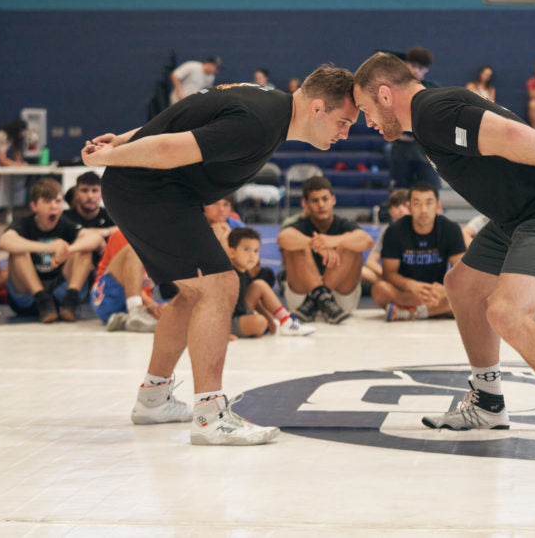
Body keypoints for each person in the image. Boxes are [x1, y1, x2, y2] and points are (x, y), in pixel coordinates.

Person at [353, 51, 535, 463]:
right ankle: (487, 403)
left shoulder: (432, 111)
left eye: (367, 109)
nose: (367, 120)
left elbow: (513, 136)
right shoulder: (430, 116)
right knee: (462, 285)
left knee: (507, 313)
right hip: (518, 215)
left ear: (385, 94)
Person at [82, 65, 357, 446]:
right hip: (148, 188)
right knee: (221, 286)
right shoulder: (260, 123)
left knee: (193, 293)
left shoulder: (268, 103)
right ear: (317, 108)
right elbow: (167, 148)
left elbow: (176, 122)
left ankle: (153, 399)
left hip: (151, 188)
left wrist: (124, 141)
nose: (345, 133)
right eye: (343, 122)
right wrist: (108, 157)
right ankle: (211, 416)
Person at [0, 178, 105, 323]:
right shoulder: (24, 223)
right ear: (34, 206)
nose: (54, 207)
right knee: (17, 250)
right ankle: (41, 297)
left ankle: (71, 299)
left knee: (84, 249)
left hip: (60, 293)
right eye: (47, 202)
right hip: (29, 296)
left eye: (58, 201)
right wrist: (49, 248)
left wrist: (68, 249)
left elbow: (94, 238)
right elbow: (5, 241)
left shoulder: (65, 223)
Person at [277, 176, 373, 323]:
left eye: (325, 199)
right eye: (315, 201)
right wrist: (315, 244)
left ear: (333, 200)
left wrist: (334, 241)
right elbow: (282, 238)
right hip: (302, 297)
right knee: (295, 246)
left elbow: (367, 241)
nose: (321, 204)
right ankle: (321, 296)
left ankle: (317, 297)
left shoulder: (343, 224)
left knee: (350, 244)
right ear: (306, 204)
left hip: (339, 299)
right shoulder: (300, 225)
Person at [373, 181, 466, 321]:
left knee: (469, 292)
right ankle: (437, 310)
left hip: (438, 291)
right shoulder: (394, 231)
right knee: (379, 290)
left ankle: (411, 313)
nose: (423, 210)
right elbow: (389, 274)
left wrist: (445, 289)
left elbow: (460, 271)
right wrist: (410, 285)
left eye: (429, 203)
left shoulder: (451, 229)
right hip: (406, 291)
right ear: (409, 207)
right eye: (417, 203)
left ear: (437, 206)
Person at [227, 227, 313, 338]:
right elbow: (217, 307)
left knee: (259, 285)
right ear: (232, 252)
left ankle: (286, 321)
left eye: (256, 251)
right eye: (246, 249)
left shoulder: (243, 272)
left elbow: (256, 300)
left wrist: (269, 317)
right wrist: (223, 334)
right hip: (224, 322)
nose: (252, 255)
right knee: (260, 322)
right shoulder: (228, 276)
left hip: (240, 312)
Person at [389, 46, 441, 189]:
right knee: (399, 193)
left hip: (424, 147)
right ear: (406, 64)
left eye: (421, 67)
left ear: (427, 69)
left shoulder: (432, 89)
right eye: (413, 65)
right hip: (402, 146)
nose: (416, 70)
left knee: (430, 190)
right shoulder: (394, 87)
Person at [91, 228, 162, 333]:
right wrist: (152, 304)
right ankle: (135, 311)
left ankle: (123, 320)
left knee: (182, 310)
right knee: (134, 248)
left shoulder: (163, 239)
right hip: (106, 296)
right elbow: (126, 278)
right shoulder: (123, 234)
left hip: (142, 301)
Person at [362, 188, 410, 289]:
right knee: (362, 271)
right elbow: (370, 262)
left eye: (405, 205)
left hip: (413, 278)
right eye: (397, 206)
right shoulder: (387, 230)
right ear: (391, 212)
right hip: (390, 277)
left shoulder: (421, 228)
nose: (401, 209)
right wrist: (387, 274)